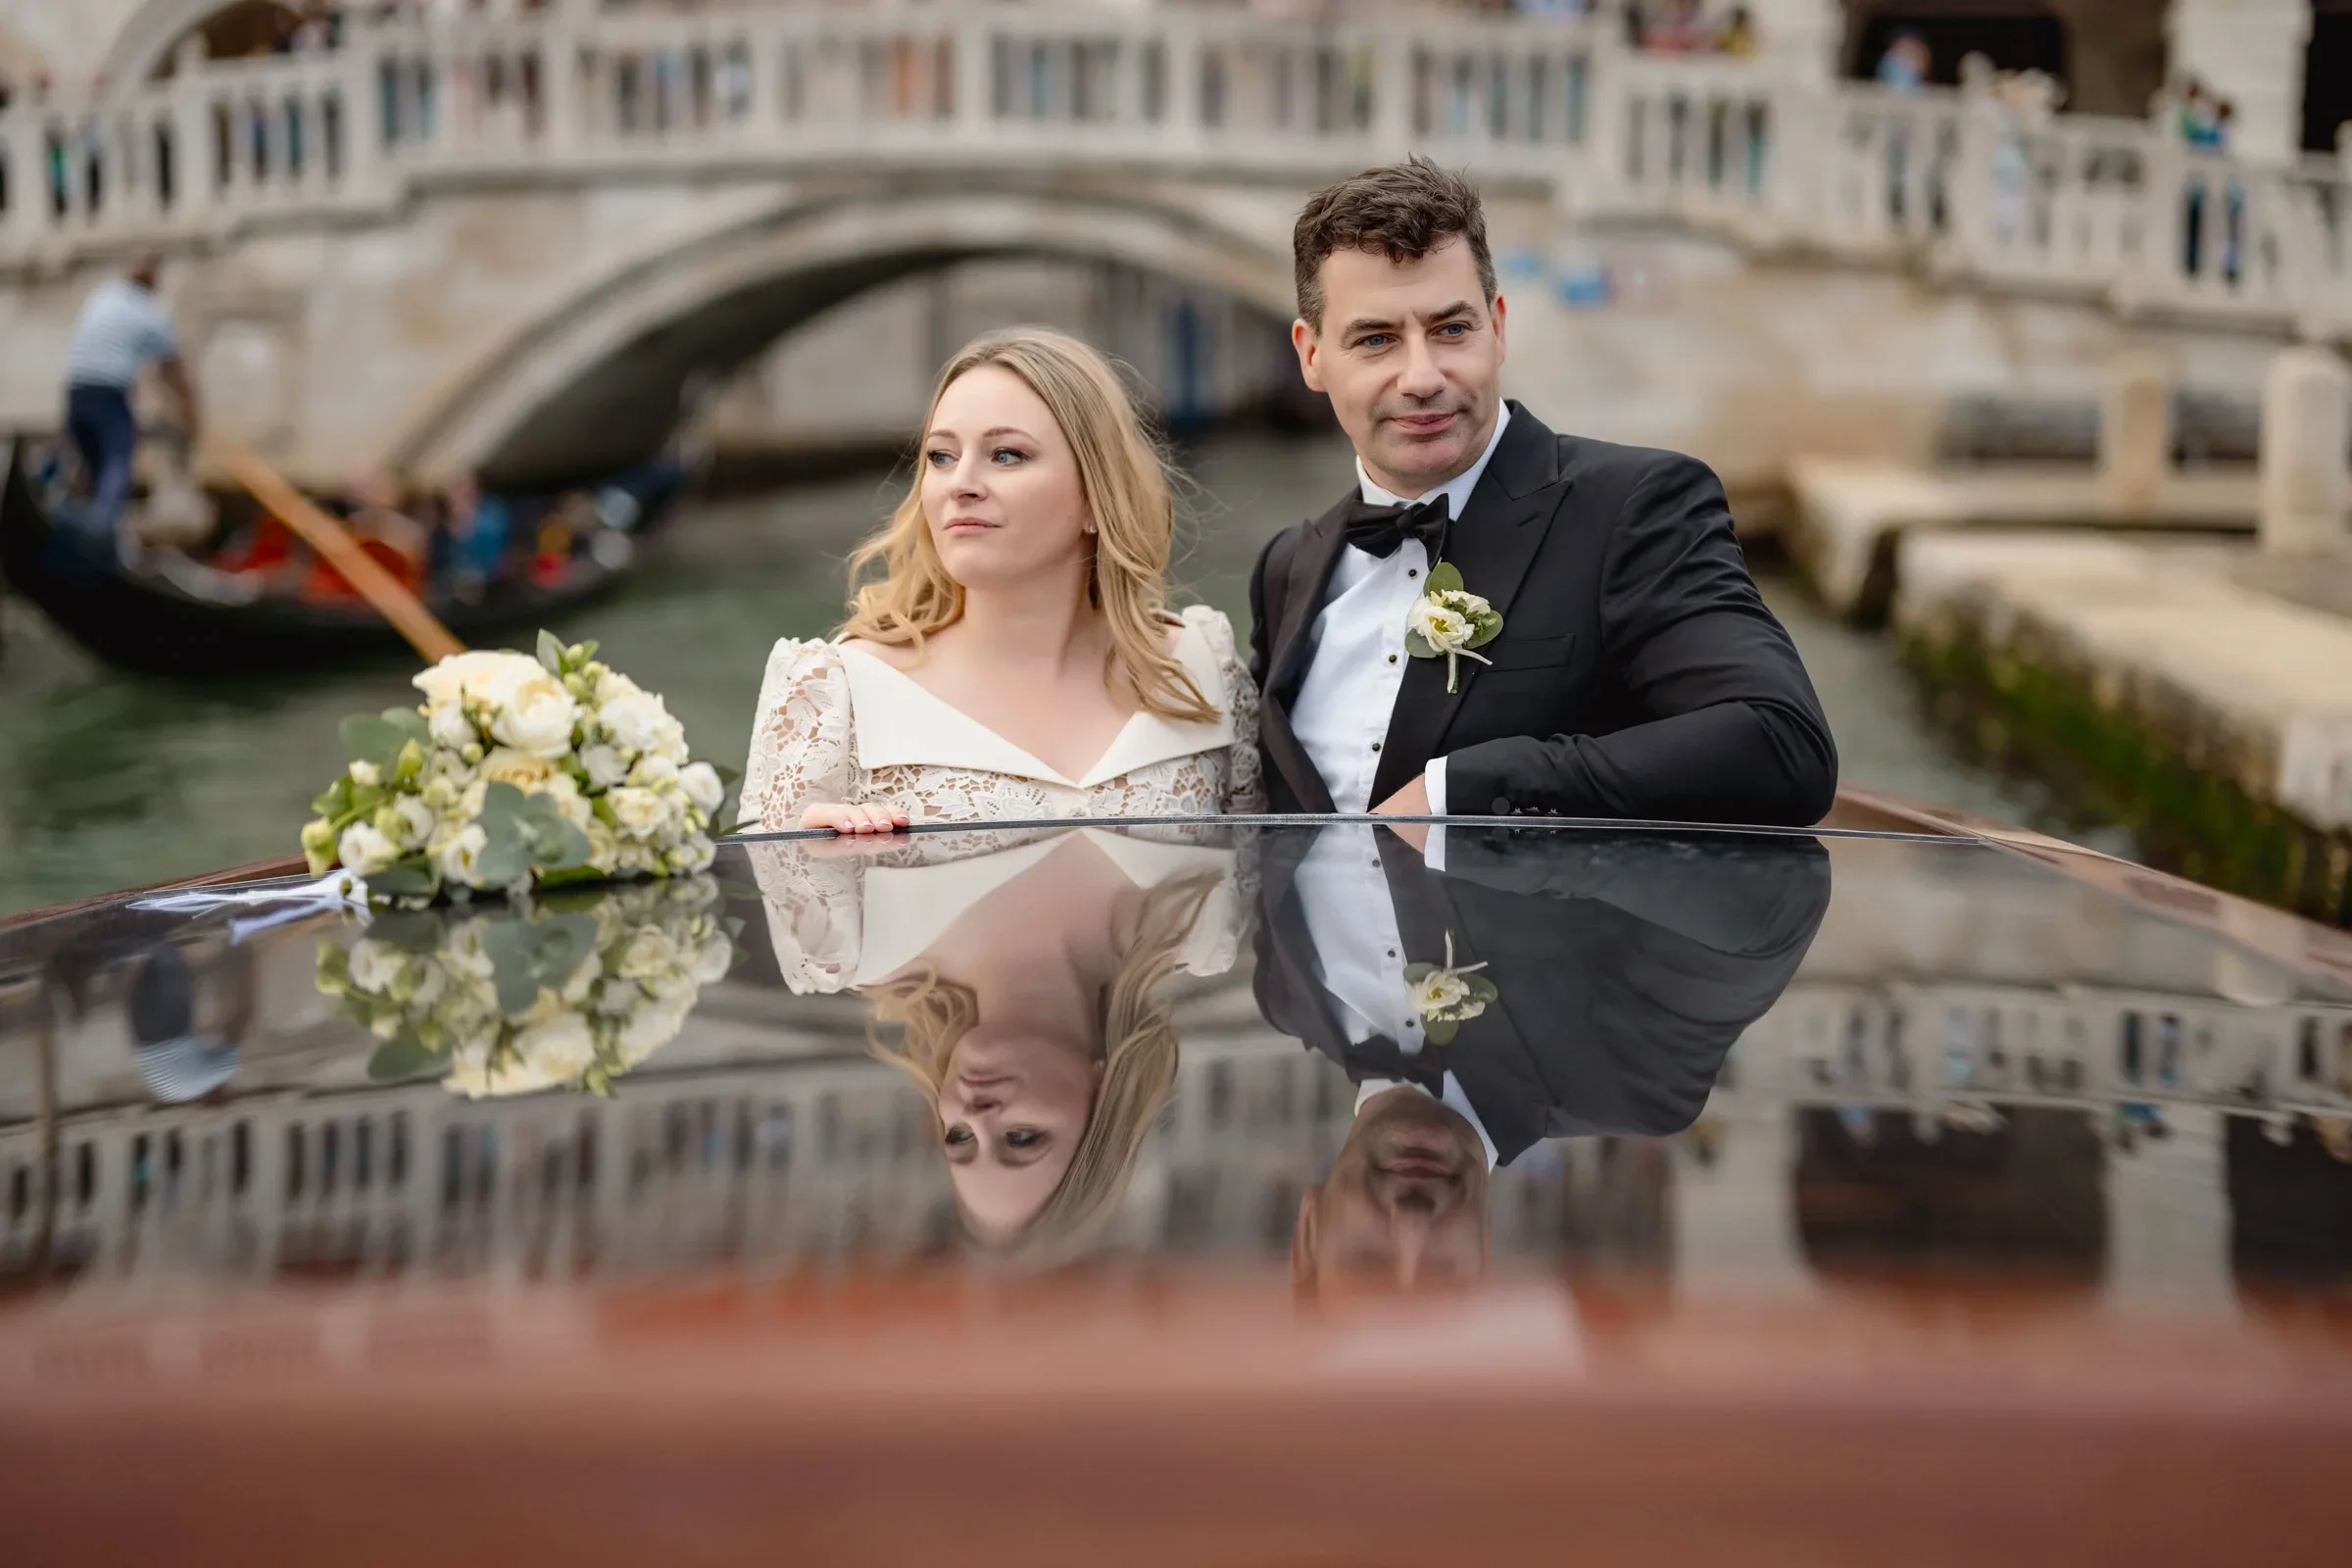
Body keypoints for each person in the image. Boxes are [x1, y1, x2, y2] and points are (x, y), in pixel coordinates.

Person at [1250, 158, 1836, 827]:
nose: (1421, 375)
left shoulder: (1636, 508)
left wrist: (1462, 791)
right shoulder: (1287, 566)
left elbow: (1783, 743)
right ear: (1312, 356)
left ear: (1497, 327)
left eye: (1451, 330)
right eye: (1377, 340)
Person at [1258, 822, 1830, 1296]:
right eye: (1439, 1275)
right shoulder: (1638, 1080)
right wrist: (1487, 822)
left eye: (1369, 1265)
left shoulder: (1284, 992)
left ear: (1308, 1233)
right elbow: (1783, 897)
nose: (1411, 1226)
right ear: (1481, 1257)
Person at [742, 328, 1260, 835]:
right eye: (941, 457)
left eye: (1006, 455)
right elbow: (767, 908)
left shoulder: (1201, 666)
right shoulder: (834, 692)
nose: (961, 484)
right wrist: (806, 859)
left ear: (1096, 497)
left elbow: (1256, 892)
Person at [747, 825, 1237, 1260]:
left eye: (958, 1139)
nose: (976, 1116)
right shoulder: (1197, 923)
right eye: (1021, 1138)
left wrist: (806, 833)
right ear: (1103, 1098)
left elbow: (769, 812)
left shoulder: (840, 942)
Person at [62, 251, 199, 539]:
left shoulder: (102, 296)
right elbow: (173, 372)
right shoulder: (150, 311)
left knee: (92, 468)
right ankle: (99, 536)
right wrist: (191, 417)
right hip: (109, 395)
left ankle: (85, 528)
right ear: (153, 282)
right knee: (118, 463)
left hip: (75, 393)